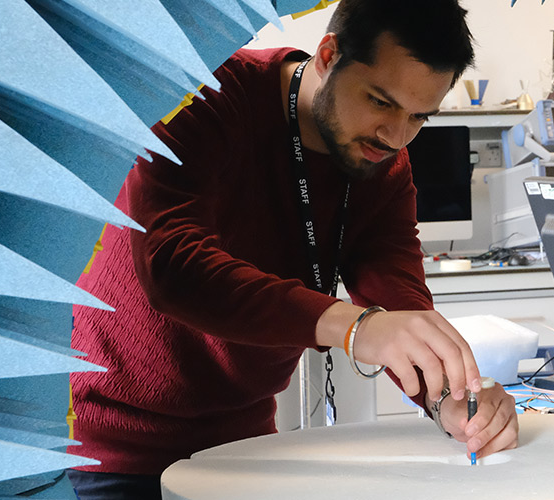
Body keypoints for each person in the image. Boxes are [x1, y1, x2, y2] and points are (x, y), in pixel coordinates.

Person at [67, 1, 517, 498]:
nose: (395, 136)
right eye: (380, 102)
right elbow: (174, 266)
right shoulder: (201, 93)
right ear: (328, 55)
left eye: (419, 117)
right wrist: (357, 327)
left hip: (243, 444)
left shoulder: (383, 163)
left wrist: (446, 398)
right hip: (106, 446)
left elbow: (397, 297)